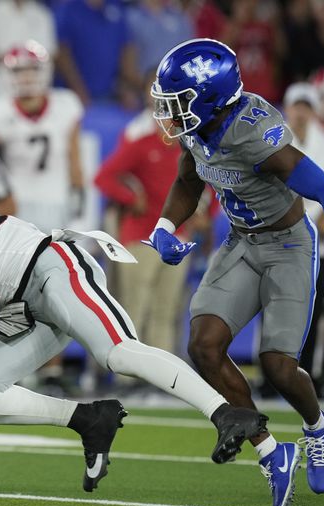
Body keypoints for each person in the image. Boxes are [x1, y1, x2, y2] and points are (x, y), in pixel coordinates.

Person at [0, 171, 269, 492]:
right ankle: (89, 420)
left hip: (51, 268)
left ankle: (225, 411)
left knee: (118, 353)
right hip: (24, 298)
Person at [147, 39, 324, 506]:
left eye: (177, 103)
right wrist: (163, 226)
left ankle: (317, 427)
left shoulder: (252, 134)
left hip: (288, 247)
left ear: (209, 100)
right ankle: (271, 450)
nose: (168, 114)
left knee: (278, 366)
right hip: (241, 240)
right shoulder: (200, 131)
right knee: (204, 346)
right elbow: (189, 179)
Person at [94, 68, 201, 354]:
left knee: (165, 311)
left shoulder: (189, 146)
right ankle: (127, 373)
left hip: (175, 237)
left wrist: (205, 213)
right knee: (133, 308)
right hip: (141, 235)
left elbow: (211, 183)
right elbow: (103, 177)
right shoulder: (140, 141)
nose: (167, 119)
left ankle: (162, 377)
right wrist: (130, 198)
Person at [0, 40, 83, 234]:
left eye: (33, 69)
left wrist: (78, 198)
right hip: (13, 202)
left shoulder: (66, 105)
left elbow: (75, 161)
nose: (26, 76)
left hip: (55, 199)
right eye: (18, 71)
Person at [282, 82, 324, 395]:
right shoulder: (272, 139)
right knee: (278, 310)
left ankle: (309, 375)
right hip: (280, 239)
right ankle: (273, 375)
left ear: (314, 112)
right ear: (288, 109)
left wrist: (317, 224)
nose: (300, 113)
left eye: (306, 107)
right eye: (296, 106)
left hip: (317, 243)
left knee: (314, 313)